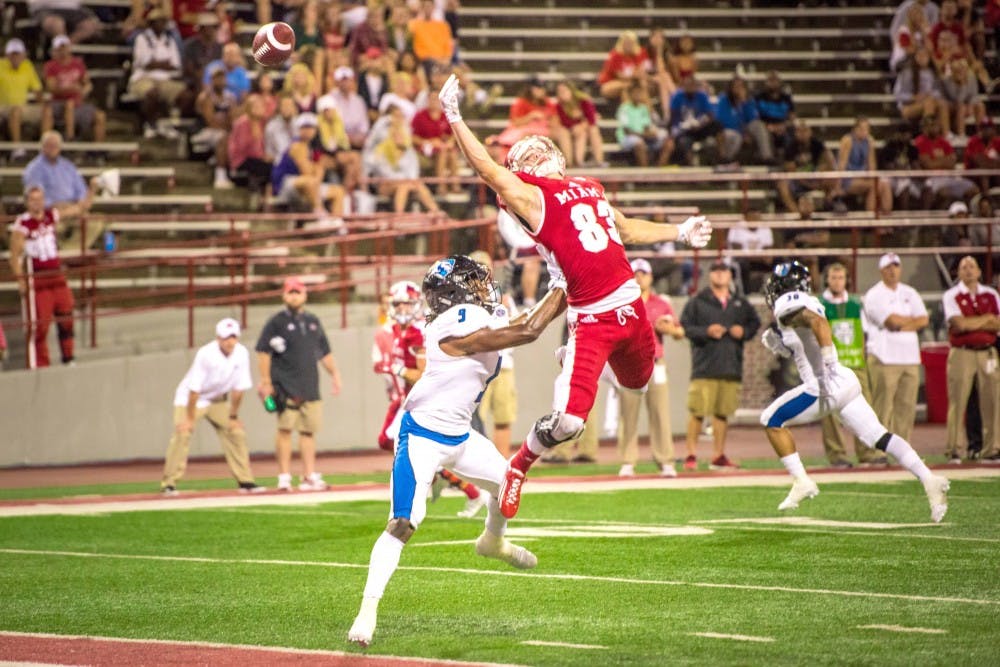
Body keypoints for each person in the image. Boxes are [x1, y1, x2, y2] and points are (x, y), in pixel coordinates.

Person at [438, 73, 713, 518]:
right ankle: (518, 466)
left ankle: (570, 363)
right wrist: (454, 117)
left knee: (637, 386)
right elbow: (487, 169)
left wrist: (678, 230)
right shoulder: (533, 197)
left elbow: (624, 229)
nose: (545, 154)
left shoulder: (589, 187)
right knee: (567, 423)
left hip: (632, 307)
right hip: (592, 319)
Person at [347, 255, 567, 647]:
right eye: (474, 281)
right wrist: (565, 284)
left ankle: (492, 542)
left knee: (508, 483)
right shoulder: (450, 324)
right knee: (402, 524)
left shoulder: (477, 314)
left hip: (460, 435)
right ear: (455, 292)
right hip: (422, 436)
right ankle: (367, 610)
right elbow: (529, 330)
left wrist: (571, 287)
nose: (484, 285)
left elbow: (526, 322)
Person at [759, 261, 950, 522]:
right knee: (878, 436)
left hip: (824, 386)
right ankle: (929, 479)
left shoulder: (789, 302)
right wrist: (783, 345)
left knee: (771, 419)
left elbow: (815, 322)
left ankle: (801, 480)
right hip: (845, 380)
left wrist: (827, 359)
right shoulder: (808, 301)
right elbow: (807, 337)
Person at [372, 279, 488, 516]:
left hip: (423, 401)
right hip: (408, 399)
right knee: (395, 444)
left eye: (407, 304)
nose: (403, 309)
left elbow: (424, 374)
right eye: (398, 304)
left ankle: (444, 491)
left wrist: (396, 369)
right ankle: (451, 485)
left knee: (401, 445)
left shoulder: (418, 332)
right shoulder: (399, 331)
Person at [255, 276, 342, 492]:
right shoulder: (276, 322)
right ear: (284, 295)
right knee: (285, 429)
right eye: (290, 292)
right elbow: (263, 351)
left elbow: (324, 352)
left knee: (309, 432)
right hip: (285, 385)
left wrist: (335, 375)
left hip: (309, 385)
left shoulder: (313, 321)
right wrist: (266, 381)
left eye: (298, 292)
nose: (294, 296)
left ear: (304, 295)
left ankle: (308, 475)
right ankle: (284, 476)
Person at [160, 318, 265, 495]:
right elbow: (194, 389)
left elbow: (239, 389)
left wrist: (233, 416)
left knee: (236, 432)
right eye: (226, 338)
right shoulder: (206, 354)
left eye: (233, 337)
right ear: (218, 338)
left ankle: (246, 480)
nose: (230, 341)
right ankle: (169, 483)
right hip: (191, 399)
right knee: (183, 432)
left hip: (217, 400)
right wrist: (190, 418)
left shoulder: (241, 353)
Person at [679, 260, 760, 471]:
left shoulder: (739, 303)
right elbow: (685, 327)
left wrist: (743, 332)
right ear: (710, 275)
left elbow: (754, 323)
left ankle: (718, 455)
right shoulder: (698, 302)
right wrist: (706, 331)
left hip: (730, 364)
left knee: (722, 413)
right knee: (698, 411)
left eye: (724, 271)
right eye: (716, 271)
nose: (720, 275)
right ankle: (690, 454)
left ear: (730, 276)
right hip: (704, 365)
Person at [617, 259, 684, 477]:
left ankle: (665, 460)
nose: (639, 277)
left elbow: (679, 332)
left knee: (660, 413)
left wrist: (669, 329)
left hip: (655, 363)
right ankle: (628, 460)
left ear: (650, 277)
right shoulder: (622, 302)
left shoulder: (661, 303)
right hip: (630, 363)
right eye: (635, 273)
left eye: (643, 274)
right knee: (628, 414)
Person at [818, 263, 888, 467]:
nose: (837, 281)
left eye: (841, 277)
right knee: (830, 412)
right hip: (829, 367)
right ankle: (837, 454)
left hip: (856, 363)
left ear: (846, 279)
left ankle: (868, 451)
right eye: (833, 277)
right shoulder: (820, 306)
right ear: (827, 280)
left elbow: (865, 334)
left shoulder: (857, 305)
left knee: (864, 409)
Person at [863, 253, 929, 443]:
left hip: (910, 358)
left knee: (907, 408)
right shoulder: (874, 294)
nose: (892, 270)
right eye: (888, 267)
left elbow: (923, 320)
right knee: (882, 407)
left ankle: (903, 451)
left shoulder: (910, 292)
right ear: (881, 270)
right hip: (884, 358)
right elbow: (891, 322)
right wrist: (910, 321)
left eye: (895, 266)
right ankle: (877, 449)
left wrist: (903, 323)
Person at [7, 185, 75, 368]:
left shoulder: (51, 215)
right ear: (27, 201)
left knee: (67, 316)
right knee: (40, 326)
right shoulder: (23, 224)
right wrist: (21, 280)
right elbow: (14, 256)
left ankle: (68, 358)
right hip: (38, 277)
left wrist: (92, 190)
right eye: (33, 199)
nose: (37, 203)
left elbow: (80, 207)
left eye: (40, 199)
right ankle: (41, 364)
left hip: (57, 274)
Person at [942, 255, 1000, 463]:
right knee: (958, 402)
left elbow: (998, 324)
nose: (968, 270)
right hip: (962, 352)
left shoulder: (991, 294)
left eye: (972, 266)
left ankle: (992, 449)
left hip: (988, 352)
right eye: (964, 267)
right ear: (958, 272)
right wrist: (987, 319)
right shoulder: (952, 295)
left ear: (979, 271)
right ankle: (955, 450)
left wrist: (974, 322)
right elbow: (960, 325)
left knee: (993, 401)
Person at [22, 131, 118, 221]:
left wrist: (77, 205)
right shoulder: (34, 169)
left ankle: (76, 236)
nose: (53, 148)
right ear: (42, 147)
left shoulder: (68, 166)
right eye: (49, 145)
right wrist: (60, 207)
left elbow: (81, 191)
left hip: (74, 208)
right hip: (49, 213)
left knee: (97, 220)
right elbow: (35, 199)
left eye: (56, 145)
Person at [128, 8, 185, 140]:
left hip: (165, 79)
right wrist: (163, 64)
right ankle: (151, 125)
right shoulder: (141, 39)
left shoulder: (170, 41)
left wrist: (157, 64)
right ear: (151, 23)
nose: (161, 24)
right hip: (143, 78)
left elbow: (175, 65)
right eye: (158, 22)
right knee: (152, 93)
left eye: (163, 22)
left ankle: (168, 124)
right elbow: (144, 63)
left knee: (184, 95)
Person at [42, 36, 106, 143]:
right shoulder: (51, 66)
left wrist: (84, 90)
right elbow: (52, 88)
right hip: (58, 103)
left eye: (65, 48)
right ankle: (70, 139)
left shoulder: (78, 64)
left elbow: (87, 84)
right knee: (68, 105)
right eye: (59, 48)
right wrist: (71, 89)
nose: (63, 51)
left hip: (78, 103)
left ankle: (98, 150)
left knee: (100, 116)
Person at [0, 38, 49, 152]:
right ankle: (17, 149)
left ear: (23, 55)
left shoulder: (27, 66)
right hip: (3, 107)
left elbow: (37, 89)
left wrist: (42, 104)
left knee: (47, 111)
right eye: (13, 54)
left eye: (18, 54)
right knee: (16, 111)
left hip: (22, 107)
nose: (15, 57)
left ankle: (45, 148)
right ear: (7, 55)